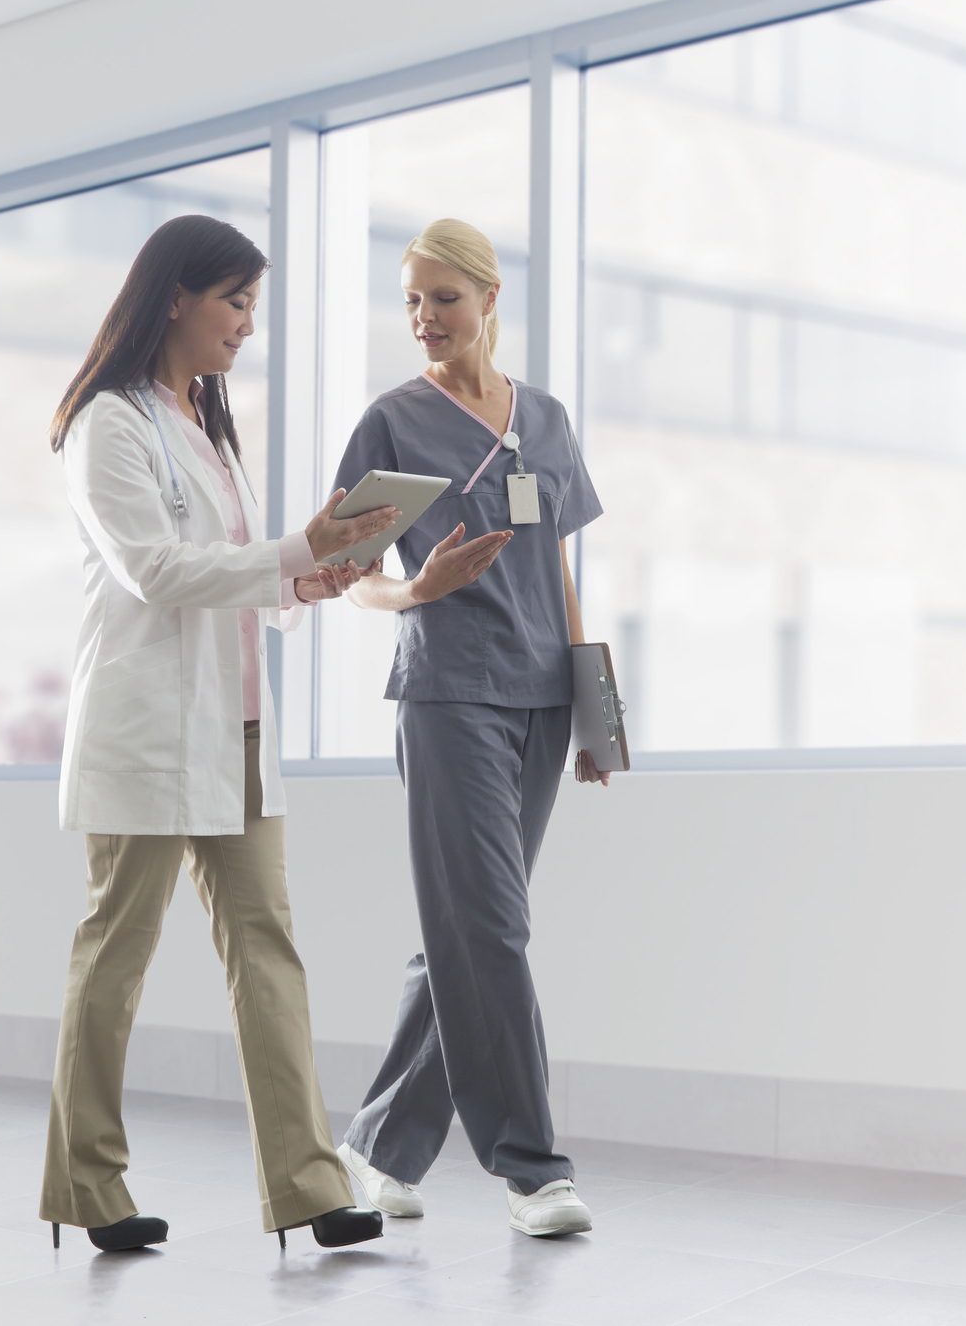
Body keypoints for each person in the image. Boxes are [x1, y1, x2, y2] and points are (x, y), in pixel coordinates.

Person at [41, 214, 396, 1253]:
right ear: (175, 298)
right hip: (149, 731)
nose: (247, 324)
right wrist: (293, 547)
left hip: (235, 729)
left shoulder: (205, 423)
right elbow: (155, 569)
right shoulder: (107, 424)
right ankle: (87, 1183)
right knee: (117, 956)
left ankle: (308, 1185)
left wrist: (312, 576)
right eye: (235, 301)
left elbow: (241, 578)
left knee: (267, 951)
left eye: (252, 305)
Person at [328, 217, 609, 1238]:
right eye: (409, 301)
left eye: (443, 298)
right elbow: (341, 579)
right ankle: (533, 1167)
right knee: (491, 928)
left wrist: (599, 716)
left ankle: (377, 1144)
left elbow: (564, 572)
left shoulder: (545, 419)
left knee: (467, 932)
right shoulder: (393, 422)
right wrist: (418, 589)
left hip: (541, 700)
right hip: (448, 695)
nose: (423, 319)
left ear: (491, 300)